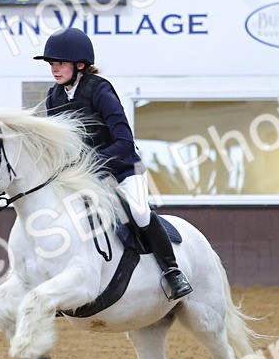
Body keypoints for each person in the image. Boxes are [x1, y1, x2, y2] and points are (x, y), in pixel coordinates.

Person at [34, 28, 192, 301]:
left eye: (59, 63)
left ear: (80, 64)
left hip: (122, 169)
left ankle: (172, 271)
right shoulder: (54, 96)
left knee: (140, 212)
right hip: (82, 176)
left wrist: (91, 164)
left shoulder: (100, 90)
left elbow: (124, 141)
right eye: (51, 64)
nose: (54, 70)